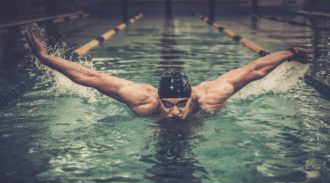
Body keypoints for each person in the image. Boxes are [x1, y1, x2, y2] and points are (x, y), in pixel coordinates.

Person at [25, 27, 309, 120]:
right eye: (168, 104)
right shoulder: (142, 100)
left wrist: (291, 52)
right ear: (158, 96)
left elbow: (254, 69)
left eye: (180, 104)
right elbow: (88, 78)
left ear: (190, 97)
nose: (174, 112)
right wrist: (44, 57)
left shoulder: (212, 96)